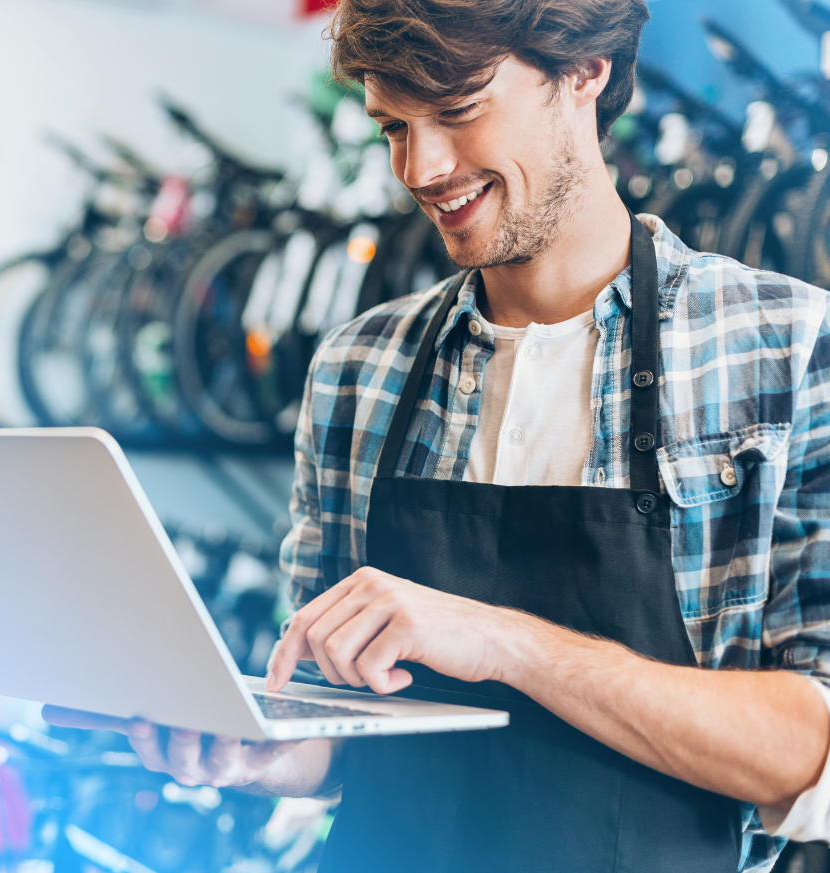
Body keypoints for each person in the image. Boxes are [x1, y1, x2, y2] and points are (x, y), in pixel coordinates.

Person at [47, 1, 830, 869]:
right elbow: (331, 718)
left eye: (457, 111)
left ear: (584, 72)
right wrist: (265, 752)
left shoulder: (784, 347)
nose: (421, 168)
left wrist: (503, 641)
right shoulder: (356, 367)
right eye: (392, 127)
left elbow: (807, 752)